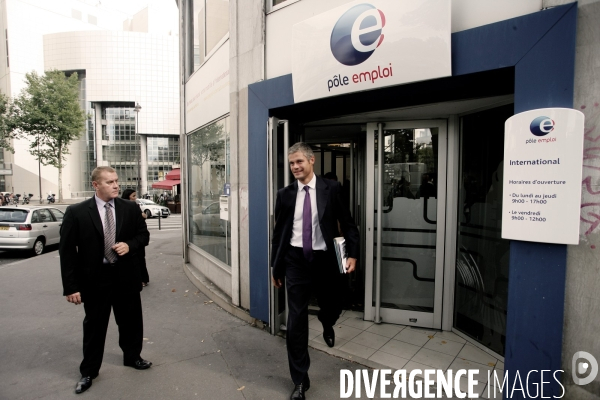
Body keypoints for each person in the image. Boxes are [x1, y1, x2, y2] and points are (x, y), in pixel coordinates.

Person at [271, 142, 359, 400]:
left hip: (325, 259)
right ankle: (300, 380)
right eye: (291, 163)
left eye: (299, 161)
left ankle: (327, 321)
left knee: (332, 304)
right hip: (295, 260)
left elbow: (348, 222)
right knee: (296, 320)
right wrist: (276, 266)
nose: (295, 167)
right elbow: (279, 234)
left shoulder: (331, 189)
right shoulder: (285, 194)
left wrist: (352, 253)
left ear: (311, 161)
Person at [59, 166, 151, 395]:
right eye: (109, 182)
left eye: (116, 181)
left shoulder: (130, 208)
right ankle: (89, 371)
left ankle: (133, 357)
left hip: (125, 276)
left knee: (130, 321)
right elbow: (68, 252)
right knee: (95, 326)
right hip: (95, 279)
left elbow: (143, 236)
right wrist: (71, 287)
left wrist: (130, 245)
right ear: (96, 185)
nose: (116, 185)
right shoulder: (77, 212)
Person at [122, 188, 150, 287]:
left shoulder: (135, 206)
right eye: (133, 196)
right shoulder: (122, 207)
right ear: (127, 196)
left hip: (137, 237)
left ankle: (143, 279)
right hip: (128, 238)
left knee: (140, 259)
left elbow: (142, 227)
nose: (135, 198)